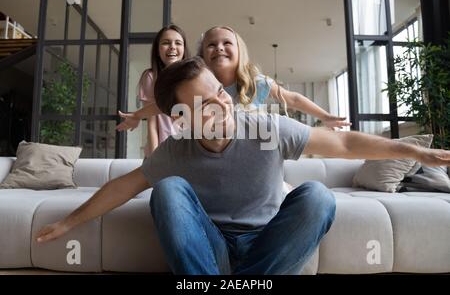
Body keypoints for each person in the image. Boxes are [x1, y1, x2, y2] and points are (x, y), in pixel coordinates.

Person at [36, 57, 450, 275]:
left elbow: (341, 141)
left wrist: (412, 152)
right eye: (203, 103)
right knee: (166, 189)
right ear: (181, 117)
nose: (221, 103)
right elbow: (124, 186)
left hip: (266, 241)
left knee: (317, 196)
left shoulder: (268, 128)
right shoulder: (176, 151)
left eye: (219, 91)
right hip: (210, 244)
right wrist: (68, 224)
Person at [116, 26, 351, 134]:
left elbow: (294, 99)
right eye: (211, 44)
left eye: (226, 43)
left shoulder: (255, 83)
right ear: (202, 55)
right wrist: (136, 116)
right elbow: (161, 105)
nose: (219, 48)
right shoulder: (197, 83)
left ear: (239, 50)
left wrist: (325, 116)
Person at [121, 24, 190, 156]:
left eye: (178, 43)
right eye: (166, 43)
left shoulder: (192, 79)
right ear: (158, 50)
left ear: (184, 49)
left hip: (187, 151)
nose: (172, 47)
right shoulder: (151, 77)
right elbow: (152, 124)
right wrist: (154, 159)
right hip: (161, 150)